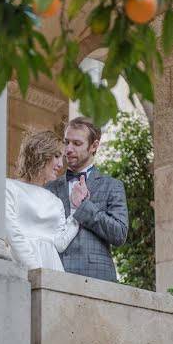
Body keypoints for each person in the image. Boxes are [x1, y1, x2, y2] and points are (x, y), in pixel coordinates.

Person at [46, 116, 129, 281]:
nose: (68, 149)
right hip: (54, 274)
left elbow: (119, 234)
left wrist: (84, 206)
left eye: (77, 144)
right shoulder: (49, 187)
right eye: (66, 142)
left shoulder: (112, 185)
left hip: (96, 279)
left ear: (94, 146)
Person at [5, 129, 89, 271]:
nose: (60, 165)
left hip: (52, 268)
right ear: (39, 153)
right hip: (19, 266)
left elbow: (60, 243)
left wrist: (76, 207)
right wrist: (35, 270)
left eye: (62, 158)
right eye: (56, 156)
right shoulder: (8, 187)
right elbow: (12, 234)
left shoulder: (55, 201)